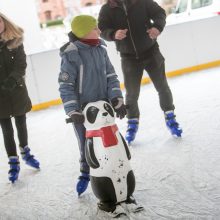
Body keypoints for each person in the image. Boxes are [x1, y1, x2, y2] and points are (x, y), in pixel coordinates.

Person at [58, 15, 126, 196]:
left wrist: (117, 100)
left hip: (104, 110)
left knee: (112, 142)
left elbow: (111, 77)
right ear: (83, 32)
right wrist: (73, 111)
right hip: (83, 113)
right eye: (94, 27)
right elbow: (66, 86)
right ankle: (85, 172)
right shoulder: (71, 54)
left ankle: (118, 174)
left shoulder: (101, 50)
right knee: (85, 144)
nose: (99, 30)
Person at [98, 0, 183, 144]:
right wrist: (113, 34)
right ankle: (132, 123)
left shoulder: (142, 1)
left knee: (162, 87)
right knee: (131, 94)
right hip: (128, 58)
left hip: (151, 52)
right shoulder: (107, 9)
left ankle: (170, 117)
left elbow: (160, 13)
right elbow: (102, 29)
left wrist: (157, 27)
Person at [0, 12, 40, 183]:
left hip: (16, 90)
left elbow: (21, 64)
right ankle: (13, 160)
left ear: (4, 21)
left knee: (21, 123)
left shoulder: (15, 40)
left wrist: (12, 81)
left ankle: (25, 151)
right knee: (6, 129)